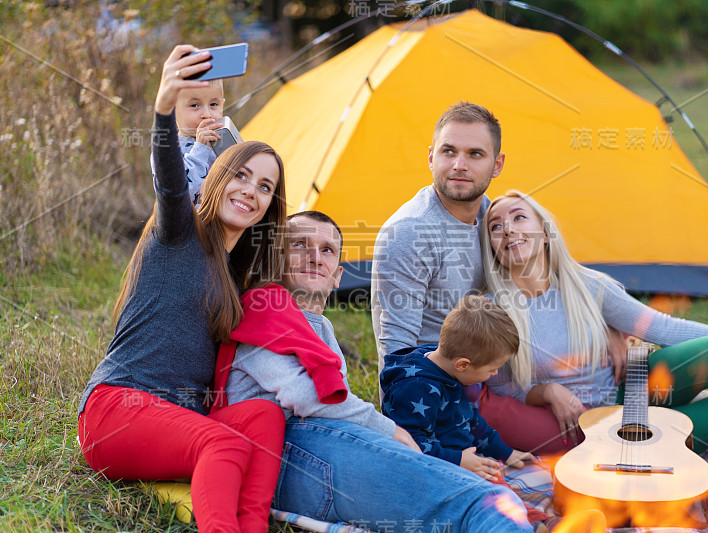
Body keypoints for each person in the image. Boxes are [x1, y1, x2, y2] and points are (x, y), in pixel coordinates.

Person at [78, 45, 297, 533]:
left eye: (264, 186)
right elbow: (171, 182)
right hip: (119, 407)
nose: (250, 190)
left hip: (179, 420)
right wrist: (162, 108)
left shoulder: (237, 274)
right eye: (239, 175)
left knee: (263, 417)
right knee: (224, 444)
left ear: (270, 204)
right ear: (215, 176)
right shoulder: (177, 232)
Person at [224, 210, 535, 533]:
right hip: (284, 454)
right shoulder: (263, 313)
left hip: (317, 449)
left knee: (462, 503)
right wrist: (388, 430)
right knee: (483, 503)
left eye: (327, 249)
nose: (315, 257)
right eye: (299, 245)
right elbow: (306, 398)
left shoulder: (322, 327)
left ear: (338, 276)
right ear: (275, 261)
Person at [479, 189, 708, 454]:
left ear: (546, 232)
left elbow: (658, 326)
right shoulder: (497, 312)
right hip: (612, 429)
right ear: (492, 247)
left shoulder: (586, 286)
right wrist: (547, 391)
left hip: (634, 386)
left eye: (519, 217)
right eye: (495, 226)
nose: (507, 229)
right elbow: (501, 387)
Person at [371, 101, 504, 368]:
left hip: (490, 368)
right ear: (432, 157)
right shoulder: (409, 232)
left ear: (497, 165)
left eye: (475, 154)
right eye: (449, 151)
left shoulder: (494, 217)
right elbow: (397, 350)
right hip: (436, 386)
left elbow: (548, 285)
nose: (459, 165)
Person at [380, 295, 532, 478]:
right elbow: (408, 445)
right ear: (462, 364)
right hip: (433, 474)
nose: (495, 374)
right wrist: (458, 460)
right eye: (492, 369)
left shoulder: (454, 372)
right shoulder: (416, 388)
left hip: (459, 461)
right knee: (498, 498)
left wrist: (506, 453)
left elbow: (471, 421)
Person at [150, 76, 224, 205]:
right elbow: (178, 193)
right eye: (194, 105)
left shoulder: (223, 142)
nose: (207, 114)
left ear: (222, 105)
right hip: (190, 223)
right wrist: (200, 148)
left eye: (213, 104)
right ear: (173, 110)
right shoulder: (167, 151)